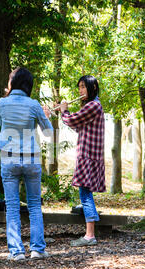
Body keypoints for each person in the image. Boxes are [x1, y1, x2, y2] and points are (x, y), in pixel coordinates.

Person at [0, 67, 53, 261]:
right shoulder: (34, 104)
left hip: (9, 157)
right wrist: (46, 116)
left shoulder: (2, 103)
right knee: (35, 205)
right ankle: (37, 249)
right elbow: (48, 132)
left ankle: (17, 252)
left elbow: (0, 123)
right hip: (31, 157)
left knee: (12, 206)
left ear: (13, 83)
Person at [54, 75, 105, 247]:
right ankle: (90, 233)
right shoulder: (93, 106)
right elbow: (77, 126)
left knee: (85, 194)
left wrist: (64, 111)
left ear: (93, 88)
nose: (81, 91)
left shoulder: (93, 105)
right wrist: (64, 113)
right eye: (80, 88)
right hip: (89, 155)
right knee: (85, 193)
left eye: (83, 87)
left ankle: (90, 235)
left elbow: (73, 120)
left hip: (88, 156)